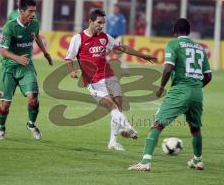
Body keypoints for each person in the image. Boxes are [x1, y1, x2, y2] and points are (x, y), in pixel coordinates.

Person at [65, 9, 156, 151]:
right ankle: (129, 128)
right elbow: (69, 58)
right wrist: (71, 71)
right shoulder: (78, 38)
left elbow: (122, 48)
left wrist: (143, 56)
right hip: (94, 81)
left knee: (118, 105)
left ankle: (113, 142)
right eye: (99, 22)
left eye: (103, 23)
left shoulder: (105, 37)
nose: (101, 26)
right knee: (111, 106)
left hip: (109, 75)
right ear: (90, 22)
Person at [128, 18, 212, 171]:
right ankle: (197, 161)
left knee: (157, 124)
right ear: (189, 31)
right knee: (195, 129)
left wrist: (161, 87)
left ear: (175, 32)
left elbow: (167, 68)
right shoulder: (200, 48)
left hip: (180, 90)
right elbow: (208, 76)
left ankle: (145, 163)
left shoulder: (173, 44)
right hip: (197, 92)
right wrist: (197, 87)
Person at [0, 0, 53, 140]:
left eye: (34, 11)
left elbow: (37, 36)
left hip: (26, 67)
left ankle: (31, 124)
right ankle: (1, 128)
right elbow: (2, 51)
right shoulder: (10, 27)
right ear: (21, 11)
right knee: (5, 105)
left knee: (33, 97)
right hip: (8, 69)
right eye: (30, 11)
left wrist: (45, 53)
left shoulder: (34, 24)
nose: (33, 14)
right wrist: (17, 58)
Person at [106, 4, 129, 76]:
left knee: (119, 54)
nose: (115, 10)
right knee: (106, 53)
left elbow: (123, 28)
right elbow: (107, 28)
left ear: (118, 9)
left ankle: (125, 70)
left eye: (116, 8)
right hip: (110, 36)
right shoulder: (108, 17)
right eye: (114, 8)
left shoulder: (121, 17)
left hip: (118, 37)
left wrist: (121, 37)